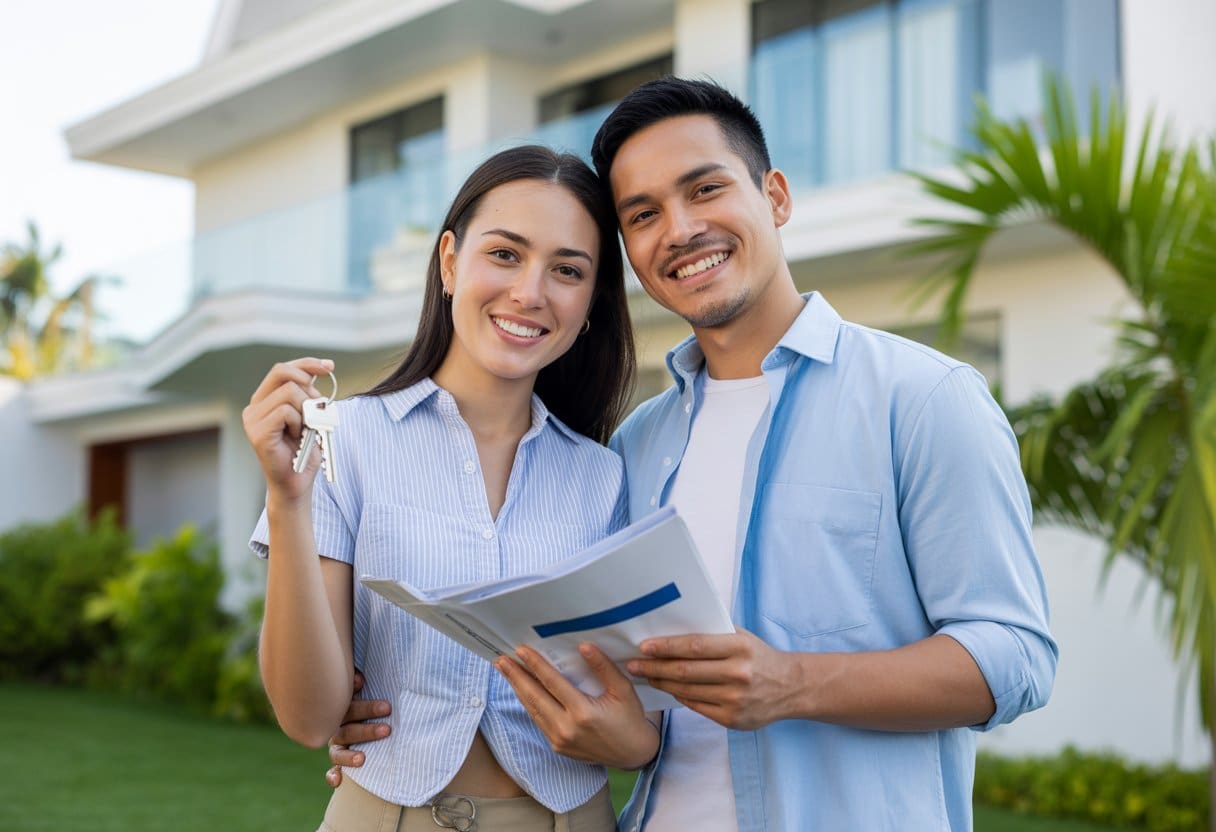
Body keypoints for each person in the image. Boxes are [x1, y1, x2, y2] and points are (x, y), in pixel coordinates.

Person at [327, 78, 1058, 831]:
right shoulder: (636, 445)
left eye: (704, 189)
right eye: (643, 215)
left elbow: (1016, 657)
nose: (678, 230)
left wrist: (795, 683)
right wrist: (382, 715)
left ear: (774, 196)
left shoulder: (925, 400)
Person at [242, 144, 660, 832]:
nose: (530, 292)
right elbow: (308, 716)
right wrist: (288, 504)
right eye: (505, 254)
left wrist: (633, 741)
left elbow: (640, 697)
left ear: (590, 303)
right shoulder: (345, 441)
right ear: (448, 262)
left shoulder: (607, 477)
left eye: (567, 270)